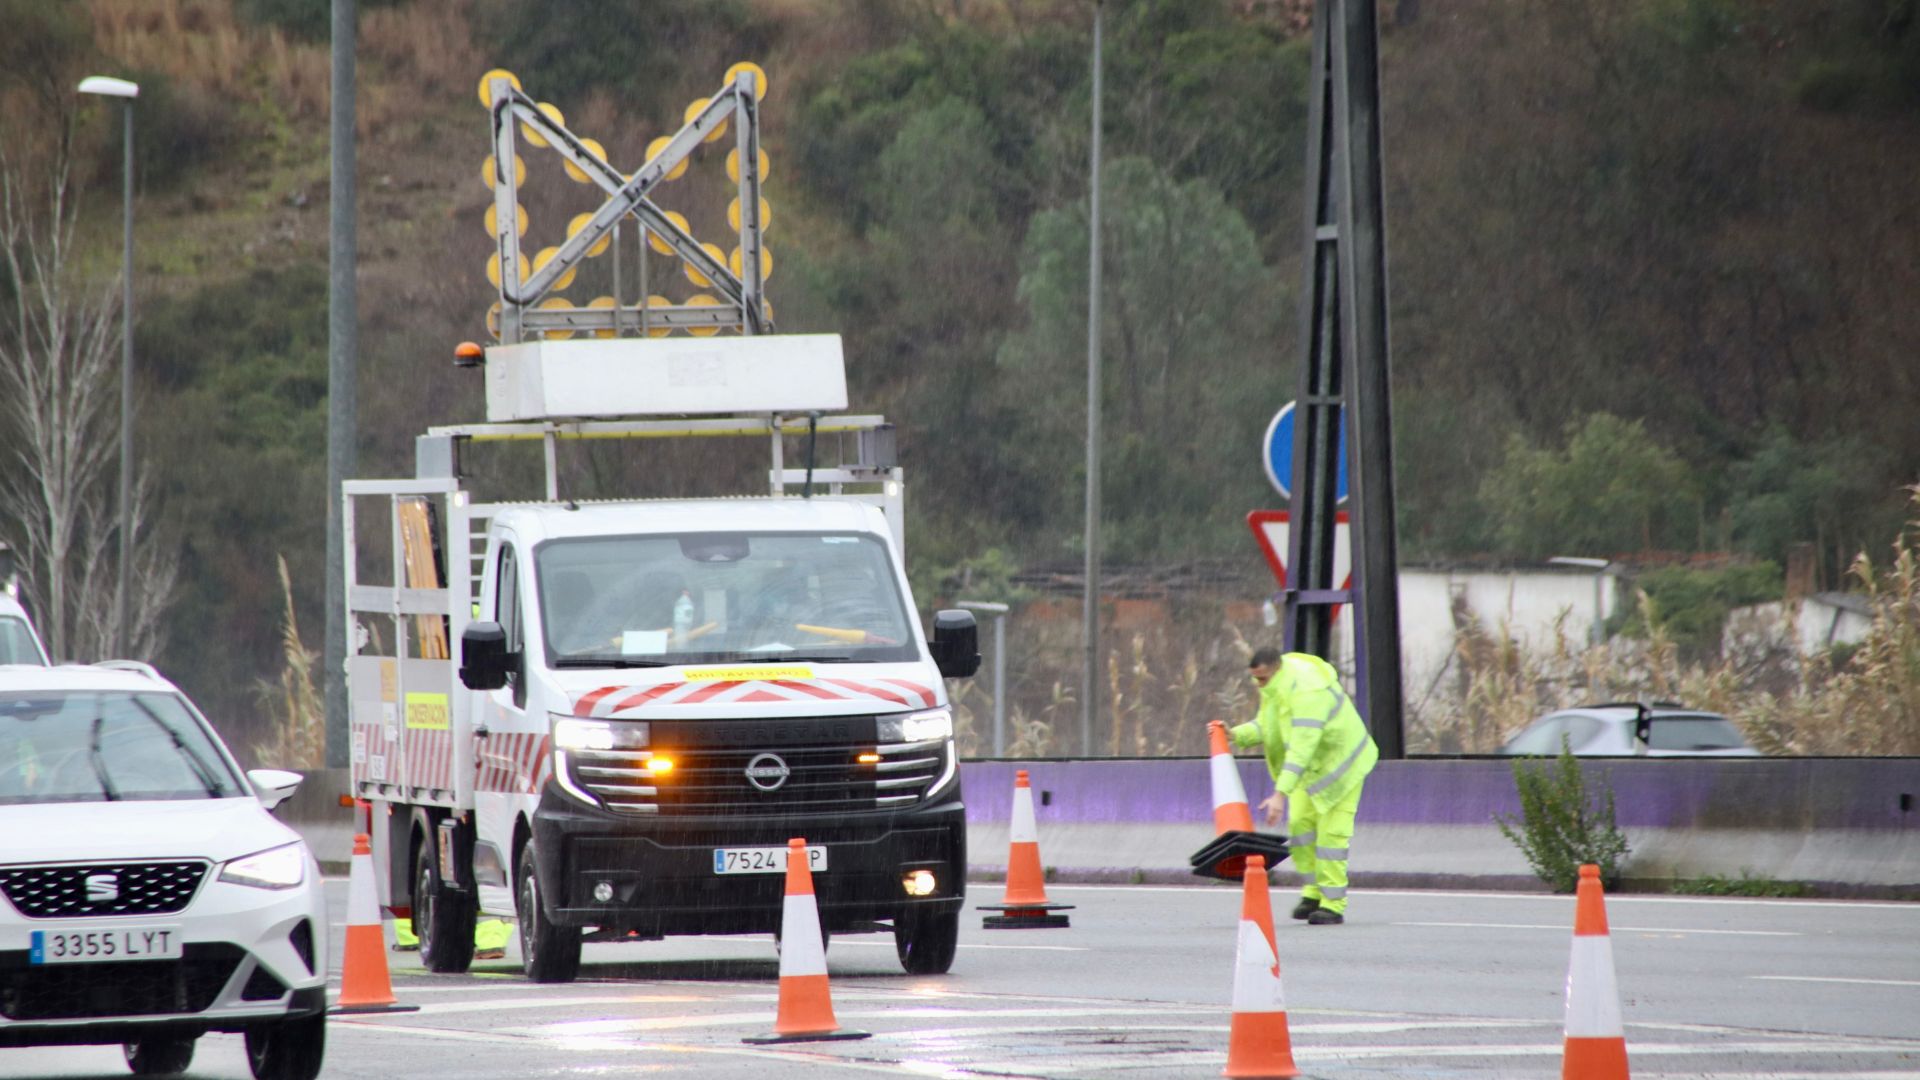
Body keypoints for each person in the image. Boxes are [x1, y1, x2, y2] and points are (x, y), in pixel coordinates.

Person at [1229, 647, 1379, 925]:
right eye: (1255, 679)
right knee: (1301, 829)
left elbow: (1302, 746)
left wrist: (1279, 794)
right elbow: (1269, 725)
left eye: (1262, 679)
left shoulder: (1308, 691)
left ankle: (1333, 903)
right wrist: (1235, 735)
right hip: (1309, 770)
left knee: (1331, 837)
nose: (1258, 685)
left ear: (1276, 669)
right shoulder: (1276, 686)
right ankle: (1312, 892)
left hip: (1341, 766)